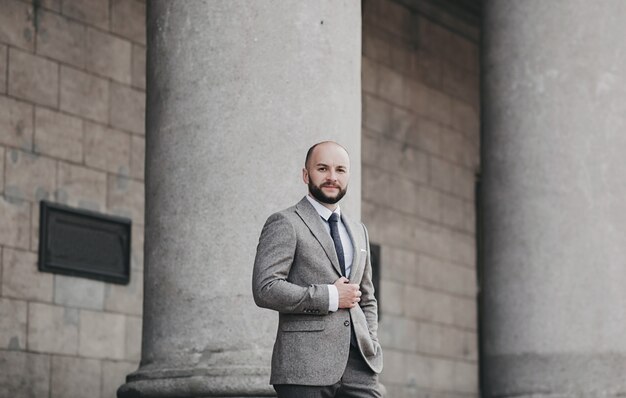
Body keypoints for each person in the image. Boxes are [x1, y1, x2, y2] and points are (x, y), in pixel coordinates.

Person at [252, 141, 383, 397]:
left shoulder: (359, 231)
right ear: (306, 174)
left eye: (340, 170)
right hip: (304, 367)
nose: (332, 177)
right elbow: (265, 288)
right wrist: (331, 296)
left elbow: (366, 297)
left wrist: (372, 341)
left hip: (359, 366)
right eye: (322, 168)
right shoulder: (285, 222)